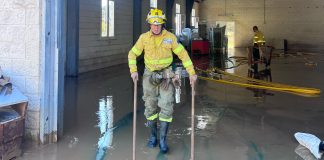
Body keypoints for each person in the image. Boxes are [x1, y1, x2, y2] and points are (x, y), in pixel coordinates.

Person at [128, 8, 198, 153]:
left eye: (158, 24)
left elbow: (183, 55)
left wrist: (192, 73)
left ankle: (162, 141)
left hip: (167, 75)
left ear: (163, 24)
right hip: (149, 75)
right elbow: (132, 54)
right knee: (150, 106)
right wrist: (134, 71)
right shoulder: (144, 38)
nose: (156, 27)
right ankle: (153, 136)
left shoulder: (170, 37)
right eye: (153, 24)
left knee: (167, 105)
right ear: (149, 24)